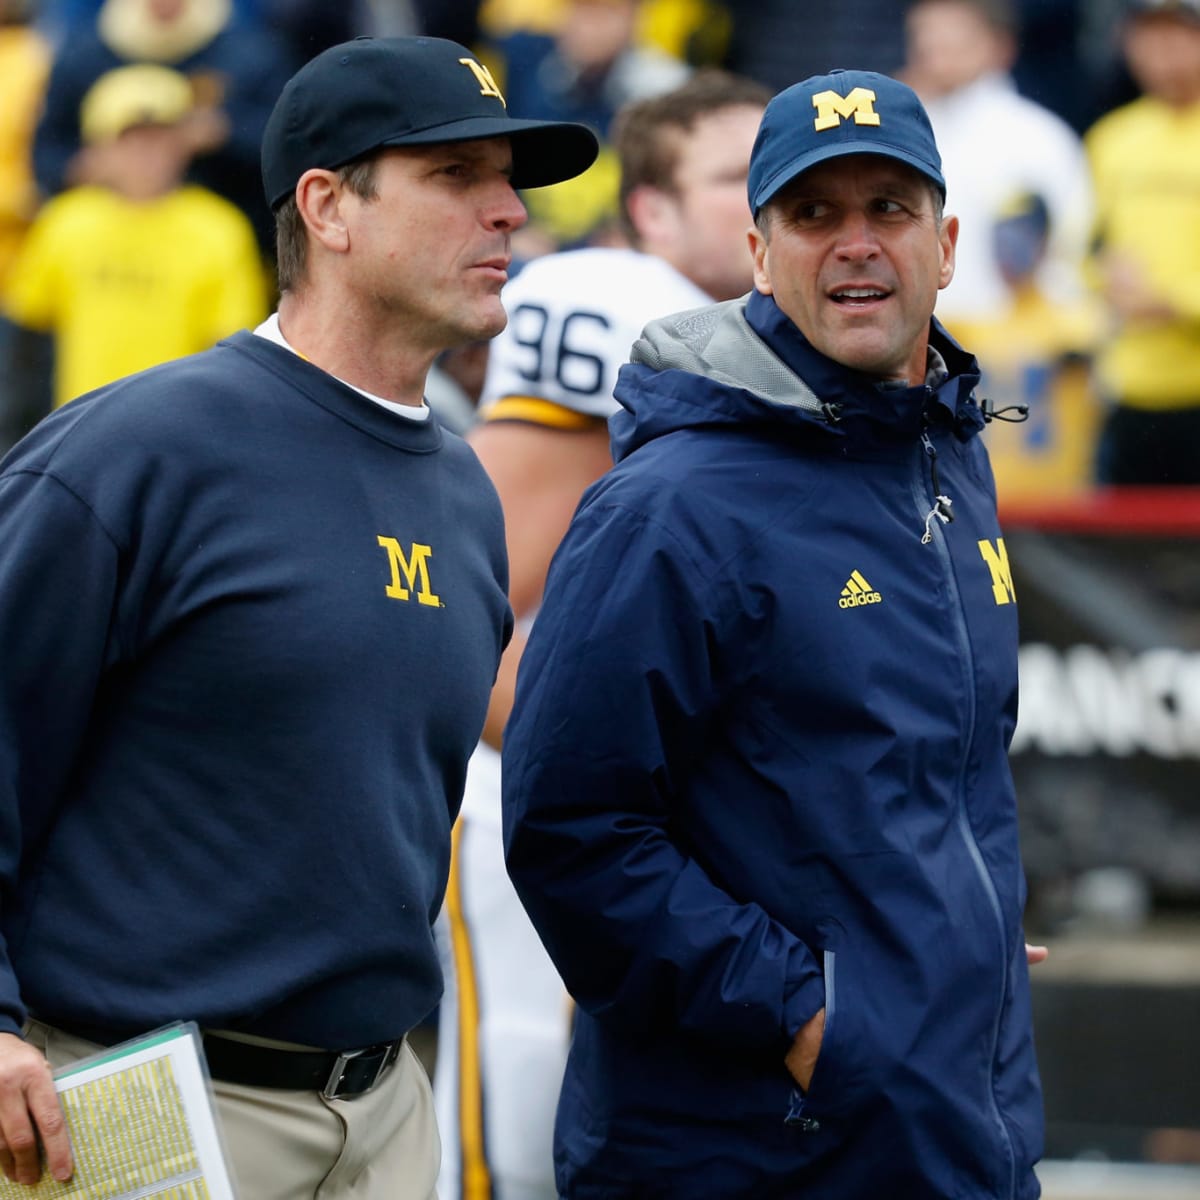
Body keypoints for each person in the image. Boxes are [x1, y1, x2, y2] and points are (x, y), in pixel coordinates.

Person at [0, 33, 596, 1200]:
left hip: (384, 1112)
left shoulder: (463, 492)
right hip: (139, 1102)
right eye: (457, 176)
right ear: (326, 206)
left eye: (508, 181)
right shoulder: (140, 451)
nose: (510, 213)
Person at [502, 68, 1045, 1197]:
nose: (855, 244)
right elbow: (573, 829)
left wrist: (954, 933)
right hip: (752, 1148)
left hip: (950, 1115)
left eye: (887, 210)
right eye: (813, 214)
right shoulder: (674, 503)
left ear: (946, 245)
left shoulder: (948, 454)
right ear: (758, 252)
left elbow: (922, 776)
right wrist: (805, 1013)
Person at [433, 68, 770, 1200]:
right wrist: (581, 752)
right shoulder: (614, 300)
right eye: (732, 177)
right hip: (541, 805)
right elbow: (470, 597)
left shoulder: (802, 340)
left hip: (679, 832)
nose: (767, 199)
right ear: (651, 215)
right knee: (512, 1140)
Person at [4, 61, 268, 409]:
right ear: (98, 149)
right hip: (78, 423)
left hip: (179, 426)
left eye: (161, 140)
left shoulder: (219, 229)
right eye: (130, 141)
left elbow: (233, 351)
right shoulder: (65, 222)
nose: (147, 156)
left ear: (185, 145)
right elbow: (27, 339)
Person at [32, 0, 298, 254]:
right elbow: (45, 154)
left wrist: (226, 132)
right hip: (99, 238)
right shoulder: (85, 57)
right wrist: (83, 166)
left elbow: (289, 148)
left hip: (218, 237)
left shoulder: (247, 56)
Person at [901, 0, 1093, 328]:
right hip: (915, 337)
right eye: (924, 38)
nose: (933, 51)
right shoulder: (900, 132)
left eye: (951, 39)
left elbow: (1068, 254)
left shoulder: (1039, 137)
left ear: (1000, 46)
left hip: (1014, 346)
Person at [1084, 0, 1200, 485]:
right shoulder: (1112, 139)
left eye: (1177, 35)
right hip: (1132, 387)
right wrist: (1105, 279)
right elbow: (1085, 248)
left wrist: (1172, 301)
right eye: (1147, 36)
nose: (1161, 52)